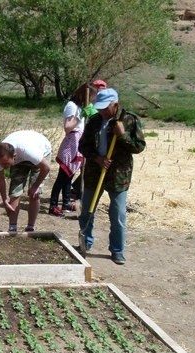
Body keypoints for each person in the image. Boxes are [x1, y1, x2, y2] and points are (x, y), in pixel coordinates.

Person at [77, 88, 146, 265]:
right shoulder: (94, 121)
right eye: (98, 108)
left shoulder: (129, 120)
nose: (101, 111)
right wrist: (97, 158)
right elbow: (82, 146)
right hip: (95, 172)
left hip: (118, 175)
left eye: (104, 108)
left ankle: (117, 250)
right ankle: (86, 243)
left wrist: (122, 135)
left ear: (115, 105)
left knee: (117, 215)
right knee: (87, 210)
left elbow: (139, 147)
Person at [0, 130, 53, 232]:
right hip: (21, 158)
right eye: (1, 164)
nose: (3, 167)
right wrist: (4, 201)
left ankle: (30, 227)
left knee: (34, 194)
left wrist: (35, 186)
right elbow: (0, 179)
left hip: (41, 151)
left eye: (6, 164)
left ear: (14, 156)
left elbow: (46, 168)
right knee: (14, 192)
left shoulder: (29, 151)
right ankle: (12, 228)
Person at [48, 83, 92, 216]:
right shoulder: (72, 106)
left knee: (69, 176)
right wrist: (80, 116)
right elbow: (67, 127)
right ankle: (53, 205)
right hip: (71, 143)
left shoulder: (80, 107)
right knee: (63, 176)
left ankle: (66, 202)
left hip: (78, 143)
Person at [71, 79, 107, 202]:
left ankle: (76, 189)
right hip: (89, 139)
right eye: (99, 88)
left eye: (103, 88)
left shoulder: (103, 103)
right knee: (87, 167)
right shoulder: (90, 104)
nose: (101, 90)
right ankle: (77, 190)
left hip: (99, 139)